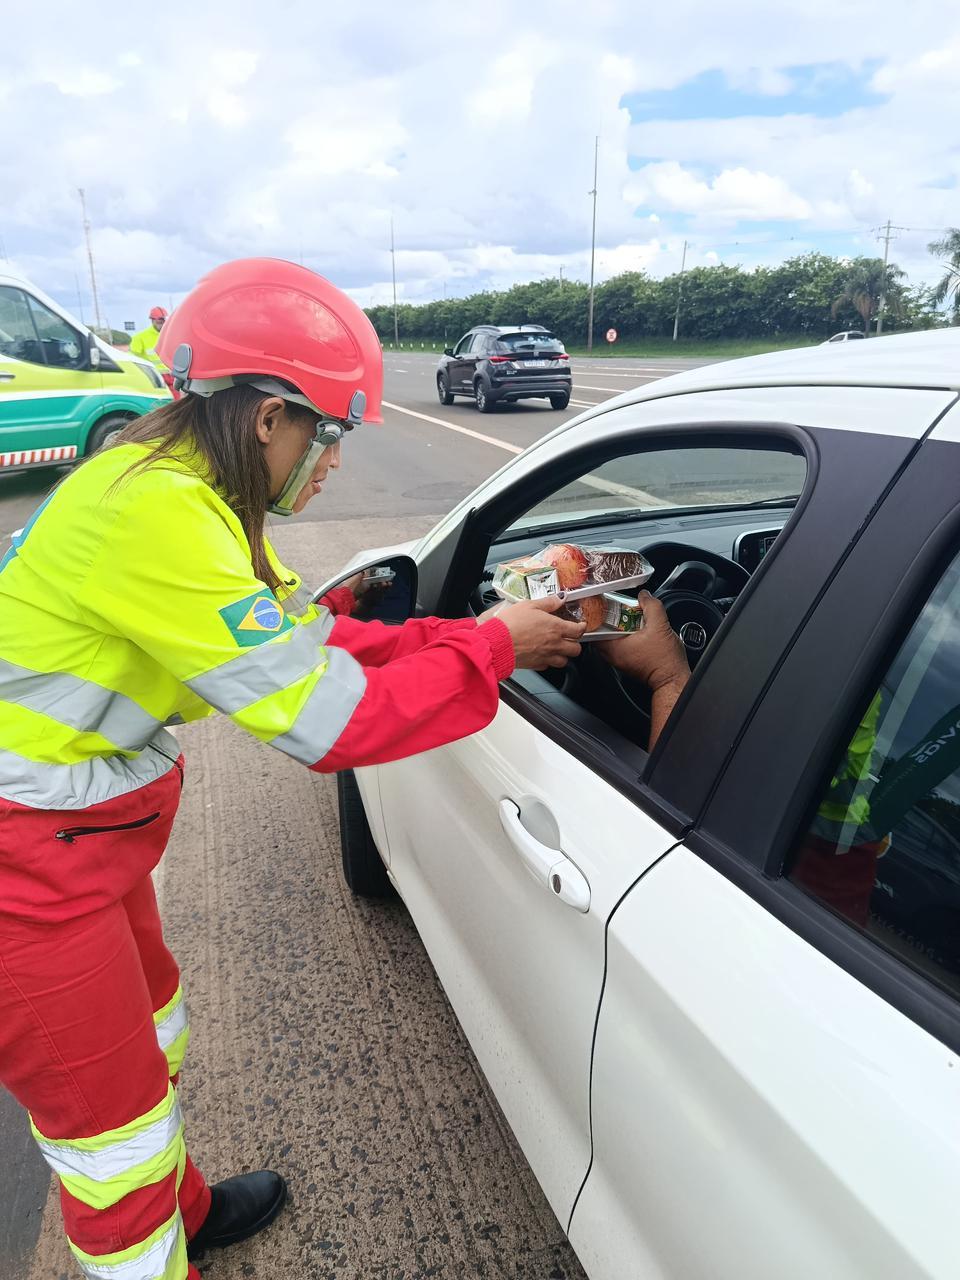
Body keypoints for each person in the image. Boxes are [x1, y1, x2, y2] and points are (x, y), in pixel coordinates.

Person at [0, 258, 584, 1280]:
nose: (331, 462)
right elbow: (327, 721)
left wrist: (464, 630)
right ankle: (149, 1246)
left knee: (144, 1039)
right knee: (107, 1133)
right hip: (23, 870)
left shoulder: (176, 488)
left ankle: (180, 1207)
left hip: (72, 837)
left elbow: (303, 643)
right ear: (271, 415)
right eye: (330, 432)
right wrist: (492, 652)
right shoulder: (161, 518)